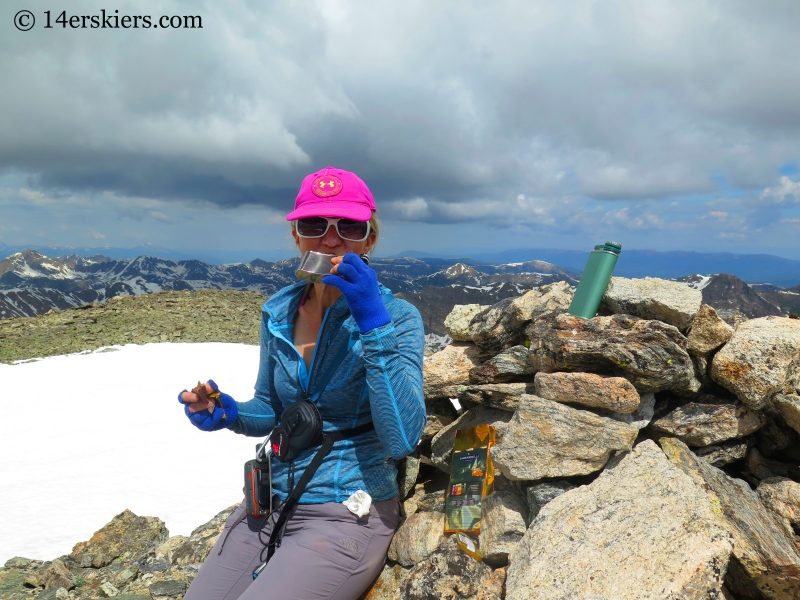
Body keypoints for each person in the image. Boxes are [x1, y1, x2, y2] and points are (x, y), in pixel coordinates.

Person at [178, 166, 426, 600]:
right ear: (297, 236)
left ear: (369, 238)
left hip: (346, 510)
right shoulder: (278, 312)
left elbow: (403, 436)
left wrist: (372, 324)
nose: (330, 239)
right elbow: (273, 409)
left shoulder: (397, 319)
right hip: (269, 499)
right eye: (314, 225)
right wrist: (231, 413)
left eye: (348, 226)